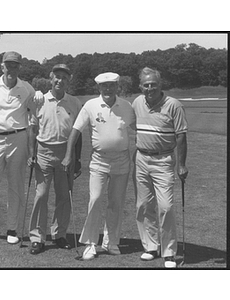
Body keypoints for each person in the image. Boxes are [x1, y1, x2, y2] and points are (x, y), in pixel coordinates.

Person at [62, 72, 136, 260]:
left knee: (116, 203)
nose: (108, 89)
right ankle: (90, 243)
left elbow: (138, 128)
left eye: (112, 85)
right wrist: (69, 156)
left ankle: (111, 242)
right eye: (104, 86)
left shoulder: (126, 106)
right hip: (99, 160)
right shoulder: (90, 106)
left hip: (122, 161)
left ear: (117, 86)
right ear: (99, 88)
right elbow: (76, 131)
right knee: (95, 200)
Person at [0, 51, 42, 244]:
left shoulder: (26, 87)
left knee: (16, 186)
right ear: (2, 66)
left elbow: (36, 107)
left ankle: (12, 229)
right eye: (8, 65)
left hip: (18, 139)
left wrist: (38, 94)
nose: (11, 68)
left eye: (15, 65)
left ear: (19, 67)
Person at [132, 67, 188, 268]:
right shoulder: (137, 102)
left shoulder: (174, 105)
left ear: (160, 84)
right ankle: (151, 246)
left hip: (163, 160)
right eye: (146, 85)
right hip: (141, 159)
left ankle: (169, 251)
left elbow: (181, 135)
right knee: (144, 205)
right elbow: (134, 127)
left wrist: (181, 164)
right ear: (140, 86)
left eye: (153, 84)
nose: (149, 88)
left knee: (166, 206)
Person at [28, 64, 82, 255]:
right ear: (51, 78)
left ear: (69, 81)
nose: (60, 80)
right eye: (57, 76)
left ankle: (59, 234)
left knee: (64, 196)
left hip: (66, 153)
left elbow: (78, 133)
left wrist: (77, 159)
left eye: (64, 77)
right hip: (43, 152)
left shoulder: (74, 102)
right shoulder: (40, 100)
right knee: (41, 195)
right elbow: (33, 129)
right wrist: (31, 153)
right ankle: (37, 237)